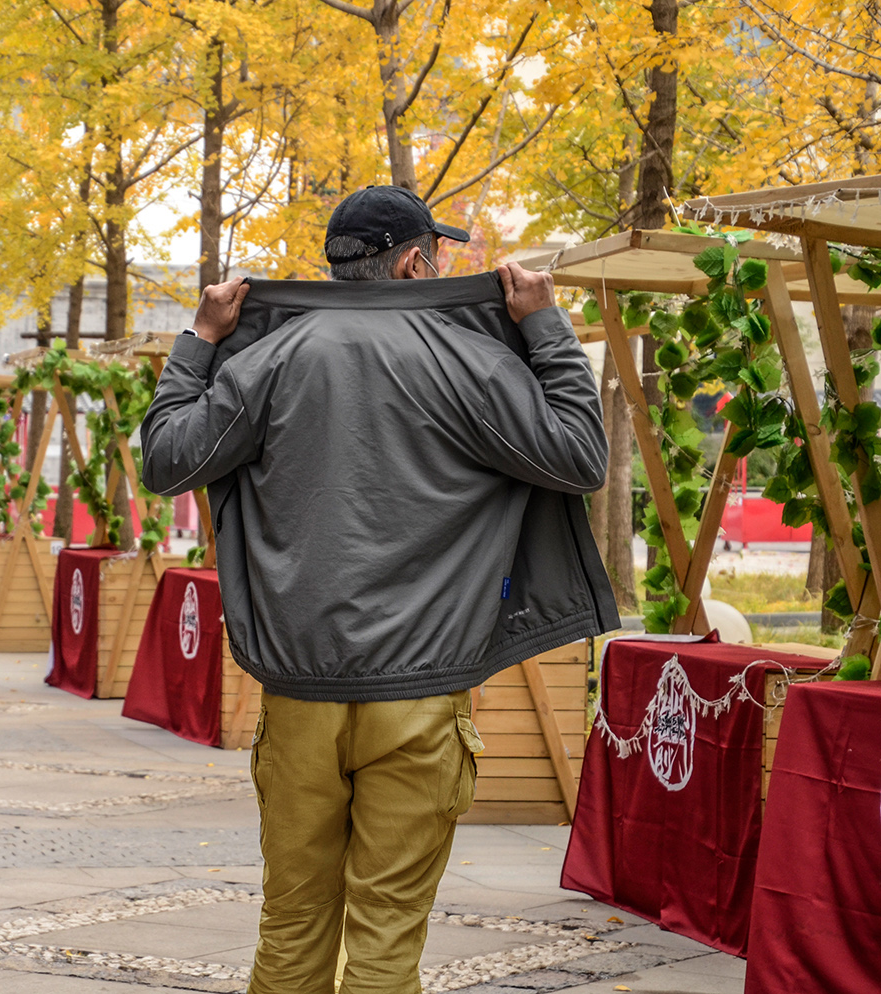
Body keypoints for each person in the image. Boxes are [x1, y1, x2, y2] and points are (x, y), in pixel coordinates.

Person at [140, 185, 614, 994]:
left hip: (300, 695)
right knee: (387, 939)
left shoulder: (267, 362)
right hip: (420, 700)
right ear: (414, 261)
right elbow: (578, 456)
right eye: (440, 255)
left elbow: (166, 461)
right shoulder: (471, 363)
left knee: (289, 930)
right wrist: (544, 325)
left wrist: (202, 338)